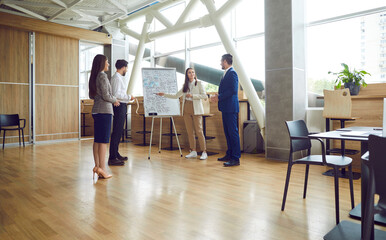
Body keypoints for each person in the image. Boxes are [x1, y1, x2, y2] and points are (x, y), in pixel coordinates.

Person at [156, 68, 208, 160]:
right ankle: (193, 151)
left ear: (195, 74)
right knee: (189, 131)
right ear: (187, 75)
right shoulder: (185, 85)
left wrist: (192, 96)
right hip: (186, 108)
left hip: (196, 108)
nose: (191, 74)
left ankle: (204, 151)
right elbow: (176, 95)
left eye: (193, 72)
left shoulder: (199, 83)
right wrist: (164, 94)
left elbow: (204, 96)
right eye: (189, 73)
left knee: (199, 131)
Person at [89, 54, 120, 179]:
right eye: (107, 62)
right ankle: (102, 169)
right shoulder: (102, 76)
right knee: (103, 142)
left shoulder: (94, 77)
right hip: (104, 112)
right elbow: (107, 96)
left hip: (97, 111)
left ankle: (97, 167)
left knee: (97, 140)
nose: (108, 64)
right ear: (102, 63)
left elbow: (92, 96)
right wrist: (115, 100)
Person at [210, 54, 241, 167]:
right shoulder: (227, 73)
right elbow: (227, 90)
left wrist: (219, 97)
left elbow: (233, 91)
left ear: (225, 61)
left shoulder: (232, 73)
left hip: (231, 108)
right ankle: (229, 154)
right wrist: (218, 95)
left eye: (221, 61)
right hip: (226, 108)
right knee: (228, 132)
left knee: (233, 133)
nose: (220, 63)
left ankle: (235, 158)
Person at [108, 59, 135, 166]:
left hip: (121, 106)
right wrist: (129, 97)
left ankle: (116, 153)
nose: (127, 70)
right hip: (119, 106)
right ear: (123, 67)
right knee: (117, 131)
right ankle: (112, 157)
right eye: (127, 68)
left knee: (118, 131)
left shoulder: (117, 78)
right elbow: (116, 94)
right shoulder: (116, 78)